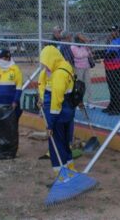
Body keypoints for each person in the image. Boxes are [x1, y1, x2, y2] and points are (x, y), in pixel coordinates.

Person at [37, 45, 76, 173]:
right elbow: (42, 84)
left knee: (57, 145)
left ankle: (61, 174)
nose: (45, 66)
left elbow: (56, 101)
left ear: (52, 59)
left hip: (59, 115)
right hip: (68, 112)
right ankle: (70, 168)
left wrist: (50, 124)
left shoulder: (58, 75)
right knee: (65, 142)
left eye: (46, 62)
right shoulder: (64, 67)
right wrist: (42, 98)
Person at [0, 49, 23, 160]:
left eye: (1, 58)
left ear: (7, 58)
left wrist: (15, 101)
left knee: (11, 129)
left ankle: (11, 152)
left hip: (11, 105)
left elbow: (19, 88)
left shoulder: (15, 69)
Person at [103, 25, 120, 116]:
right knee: (111, 87)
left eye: (113, 31)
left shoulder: (119, 41)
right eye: (111, 31)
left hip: (115, 67)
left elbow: (112, 54)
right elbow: (107, 52)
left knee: (115, 87)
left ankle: (118, 108)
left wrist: (102, 55)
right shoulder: (112, 41)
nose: (111, 33)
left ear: (118, 32)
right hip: (109, 67)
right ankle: (112, 105)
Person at [71, 33, 93, 107]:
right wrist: (85, 54)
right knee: (78, 86)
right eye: (81, 39)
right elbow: (78, 55)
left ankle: (90, 102)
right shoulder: (73, 47)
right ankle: (78, 102)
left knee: (88, 84)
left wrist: (87, 46)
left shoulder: (84, 46)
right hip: (78, 68)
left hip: (86, 66)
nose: (82, 41)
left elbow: (90, 54)